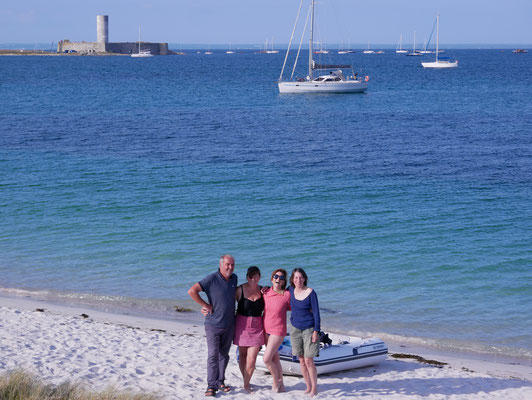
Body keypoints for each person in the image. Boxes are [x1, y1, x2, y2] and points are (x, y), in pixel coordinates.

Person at [188, 254, 238, 397]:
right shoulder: (211, 279)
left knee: (224, 355)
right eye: (228, 264)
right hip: (213, 325)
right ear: (221, 265)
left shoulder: (234, 278)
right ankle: (211, 385)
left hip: (229, 325)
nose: (230, 267)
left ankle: (220, 382)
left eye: (232, 265)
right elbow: (192, 291)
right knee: (213, 355)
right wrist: (205, 305)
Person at [288, 268, 321, 397]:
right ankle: (308, 386)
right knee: (301, 360)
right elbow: (277, 291)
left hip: (309, 329)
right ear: (292, 279)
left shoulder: (311, 293)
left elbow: (317, 314)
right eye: (296, 277)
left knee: (309, 361)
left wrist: (316, 331)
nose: (298, 280)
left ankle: (314, 388)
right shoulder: (290, 290)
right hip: (295, 329)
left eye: (301, 277)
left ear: (305, 278)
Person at [233, 266, 265, 393]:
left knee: (252, 359)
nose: (253, 279)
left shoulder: (263, 290)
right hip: (241, 325)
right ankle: (246, 380)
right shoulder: (239, 290)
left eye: (256, 276)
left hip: (257, 327)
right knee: (242, 355)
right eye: (250, 276)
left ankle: (246, 385)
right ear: (247, 277)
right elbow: (226, 302)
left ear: (259, 276)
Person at [262, 268, 291, 393]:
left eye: (282, 278)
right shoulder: (265, 292)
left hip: (278, 331)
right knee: (275, 359)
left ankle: (276, 382)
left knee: (266, 359)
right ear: (272, 278)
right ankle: (282, 387)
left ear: (284, 282)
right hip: (265, 330)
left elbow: (297, 307)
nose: (278, 279)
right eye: (276, 276)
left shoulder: (287, 295)